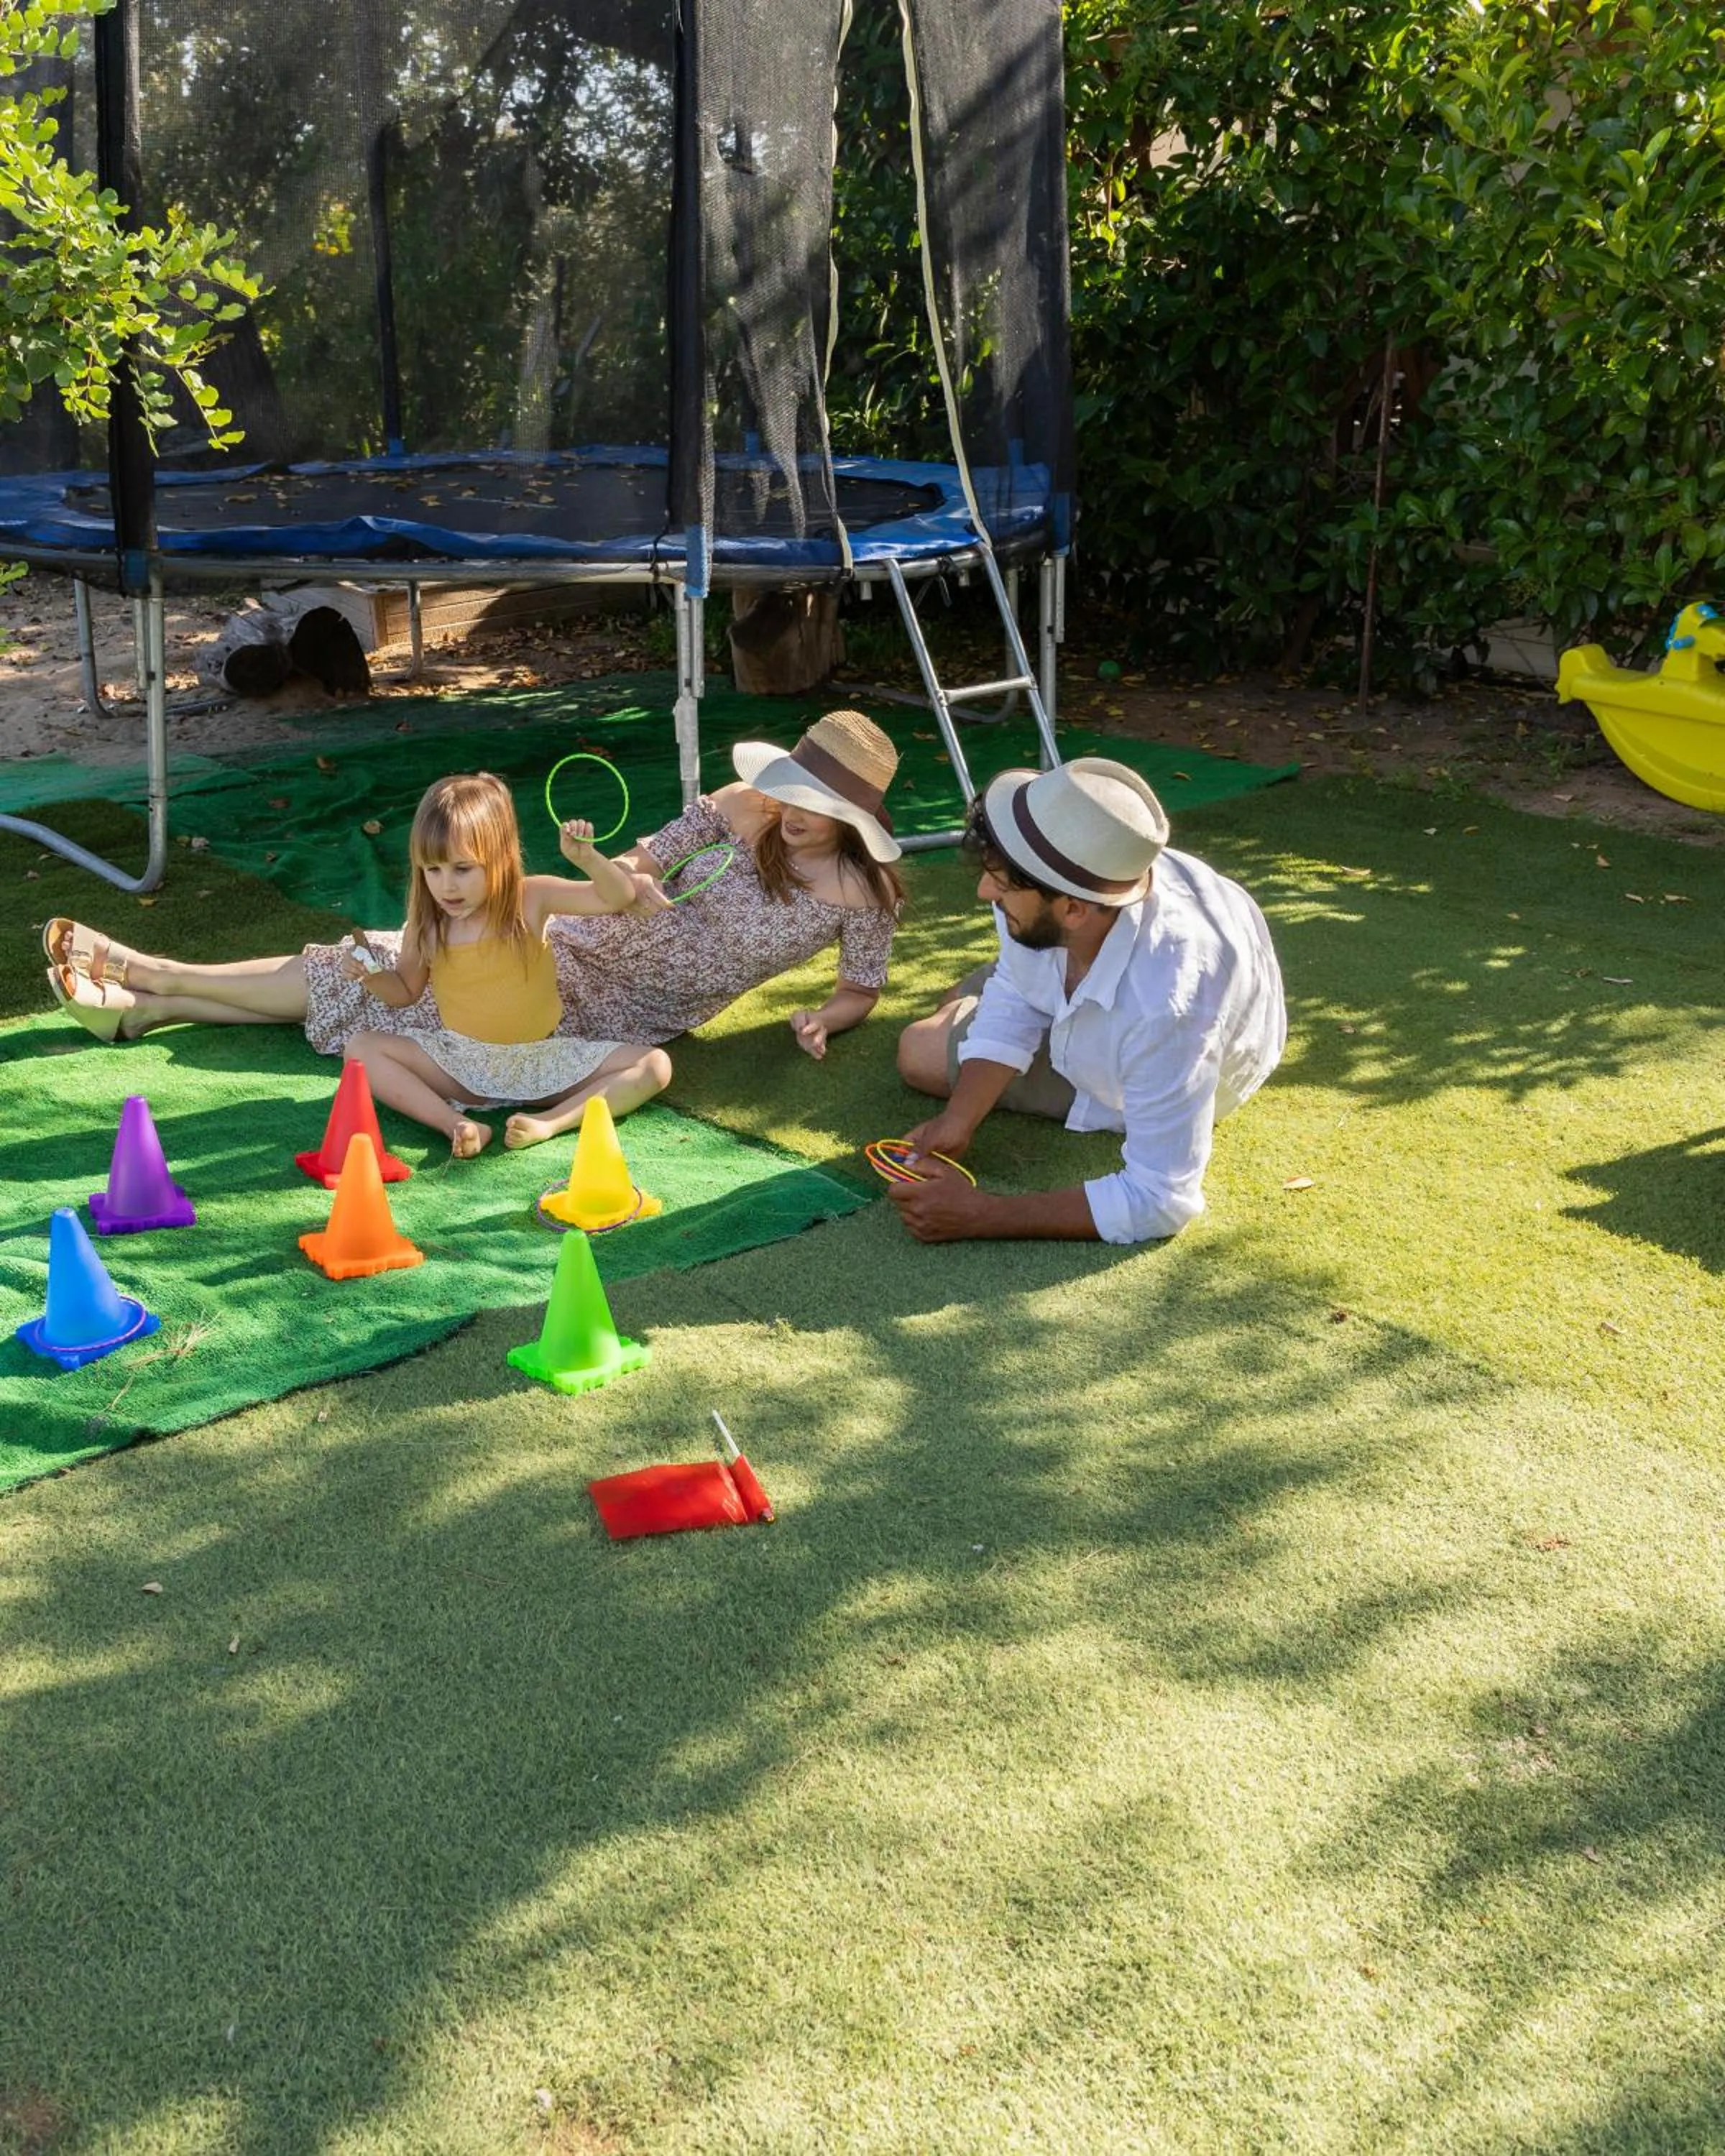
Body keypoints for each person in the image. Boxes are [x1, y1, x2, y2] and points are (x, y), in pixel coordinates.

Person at [41, 711, 906, 1117]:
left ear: (855, 819)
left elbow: (860, 987)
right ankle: (151, 976)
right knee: (365, 966)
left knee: (386, 997)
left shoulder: (866, 896)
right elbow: (649, 856)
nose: (794, 811)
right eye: (794, 790)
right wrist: (628, 879)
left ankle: (145, 1007)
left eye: (818, 804)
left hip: (623, 1011)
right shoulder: (743, 804)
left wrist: (823, 1019)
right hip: (567, 937)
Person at [49, 771, 671, 1156]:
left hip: (545, 1063)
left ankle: (551, 1125)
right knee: (364, 1048)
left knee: (654, 1064)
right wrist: (372, 978)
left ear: (500, 861)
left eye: (462, 869)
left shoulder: (530, 899)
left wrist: (587, 858)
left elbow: (615, 897)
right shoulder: (429, 925)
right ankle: (455, 1127)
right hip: (463, 1066)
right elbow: (406, 993)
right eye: (433, 870)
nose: (447, 885)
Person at [890, 757, 1285, 1245]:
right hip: (1086, 960)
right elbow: (1018, 988)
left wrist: (981, 1214)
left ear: (1074, 910)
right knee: (964, 1002)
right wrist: (960, 1119)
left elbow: (1160, 1198)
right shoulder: (1061, 874)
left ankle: (957, 1013)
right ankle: (959, 1007)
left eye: (1002, 884)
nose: (983, 891)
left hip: (1141, 1059)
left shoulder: (1168, 1008)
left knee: (919, 1051)